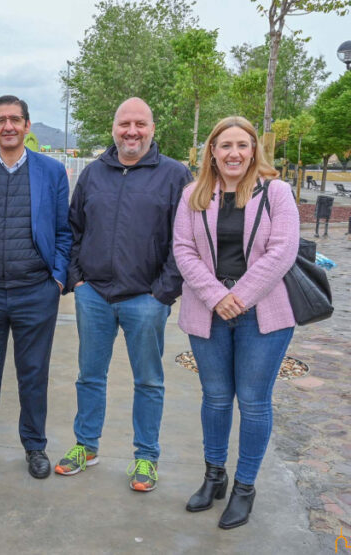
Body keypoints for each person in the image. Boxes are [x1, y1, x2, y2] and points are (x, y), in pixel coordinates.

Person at [56, 98, 192, 492]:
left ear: (152, 128)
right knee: (89, 376)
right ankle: (86, 446)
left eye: (140, 124)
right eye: (124, 124)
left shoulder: (175, 175)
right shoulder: (94, 173)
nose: (132, 131)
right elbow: (73, 229)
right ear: (114, 128)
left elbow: (184, 240)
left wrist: (162, 293)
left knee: (148, 381)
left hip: (145, 299)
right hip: (94, 296)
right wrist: (78, 281)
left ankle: (146, 456)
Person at [173, 116, 299, 529]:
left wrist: (239, 297)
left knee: (253, 400)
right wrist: (217, 297)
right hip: (208, 311)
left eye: (242, 145)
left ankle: (245, 488)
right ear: (212, 151)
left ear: (253, 150)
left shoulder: (276, 192)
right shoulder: (193, 194)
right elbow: (183, 250)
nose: (234, 153)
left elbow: (282, 251)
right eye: (225, 145)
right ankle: (214, 477)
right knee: (215, 397)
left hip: (263, 314)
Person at [0, 95, 72, 479]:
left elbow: (64, 231)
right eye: (1, 120)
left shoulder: (52, 172)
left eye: (15, 119)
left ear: (27, 125)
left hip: (36, 291)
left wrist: (57, 278)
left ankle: (35, 446)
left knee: (33, 374)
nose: (8, 126)